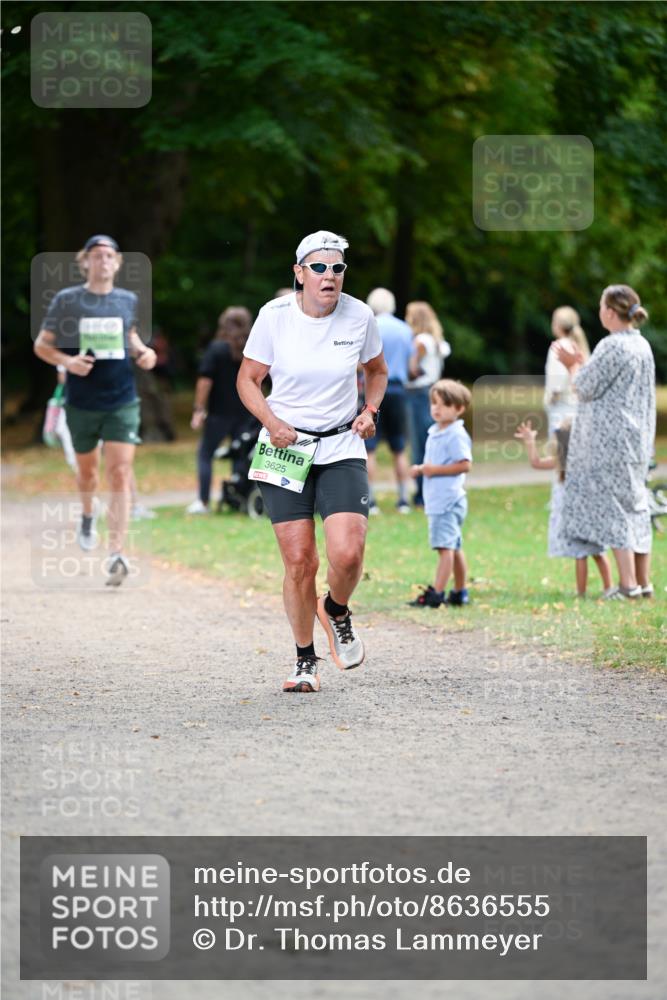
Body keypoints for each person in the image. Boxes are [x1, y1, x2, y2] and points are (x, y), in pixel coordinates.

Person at [237, 230, 388, 693]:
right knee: (300, 561)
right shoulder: (274, 316)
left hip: (341, 444)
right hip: (287, 447)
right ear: (299, 273)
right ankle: (305, 660)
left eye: (338, 268)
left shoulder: (359, 315)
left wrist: (370, 411)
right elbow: (247, 379)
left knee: (348, 551)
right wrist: (271, 419)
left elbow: (377, 372)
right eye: (319, 267)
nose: (330, 276)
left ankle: (336, 609)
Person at [33, 234, 156, 586]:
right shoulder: (67, 300)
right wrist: (68, 362)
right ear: (84, 261)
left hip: (121, 399)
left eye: (109, 256)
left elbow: (129, 336)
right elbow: (42, 345)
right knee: (88, 474)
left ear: (117, 263)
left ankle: (116, 552)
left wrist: (143, 352)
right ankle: (88, 514)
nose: (103, 261)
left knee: (119, 472)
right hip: (82, 400)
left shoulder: (127, 299)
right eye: (96, 255)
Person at [555, 285, 655, 600]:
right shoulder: (642, 345)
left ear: (610, 311)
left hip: (610, 442)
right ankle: (643, 582)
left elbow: (584, 387)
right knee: (636, 506)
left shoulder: (612, 346)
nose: (599, 312)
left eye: (601, 307)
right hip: (637, 439)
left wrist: (573, 364)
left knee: (616, 510)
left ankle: (627, 587)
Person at [514, 419, 613, 597]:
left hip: (576, 517)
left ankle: (582, 593)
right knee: (598, 552)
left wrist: (530, 441)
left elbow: (536, 462)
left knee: (581, 554)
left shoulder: (563, 462)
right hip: (590, 516)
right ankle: (608, 588)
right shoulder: (587, 461)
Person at [187, 306, 259, 514]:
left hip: (219, 414)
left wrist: (199, 409)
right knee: (240, 453)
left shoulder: (216, 349)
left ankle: (203, 501)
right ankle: (238, 498)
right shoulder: (252, 350)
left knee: (205, 454)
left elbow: (204, 381)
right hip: (247, 413)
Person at [408, 379, 472, 608]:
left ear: (459, 409)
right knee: (453, 546)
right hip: (441, 499)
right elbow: (434, 463)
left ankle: (437, 594)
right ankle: (459, 592)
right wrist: (421, 469)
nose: (437, 408)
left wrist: (433, 470)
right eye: (434, 403)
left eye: (444, 404)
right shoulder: (436, 431)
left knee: (445, 549)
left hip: (447, 501)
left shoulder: (455, 434)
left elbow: (465, 465)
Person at [364, 288, 415, 514]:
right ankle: (403, 499)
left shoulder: (371, 327)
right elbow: (412, 366)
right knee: (399, 447)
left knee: (370, 449)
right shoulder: (405, 330)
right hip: (398, 389)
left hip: (374, 390)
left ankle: (371, 500)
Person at [405, 300, 452, 507]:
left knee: (419, 444)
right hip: (433, 391)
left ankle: (422, 494)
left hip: (417, 394)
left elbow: (412, 368)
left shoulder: (420, 341)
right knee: (432, 440)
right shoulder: (437, 341)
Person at [544, 306, 590, 436]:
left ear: (557, 325)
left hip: (561, 408)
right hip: (580, 408)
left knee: (558, 452)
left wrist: (551, 402)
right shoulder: (581, 346)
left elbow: (557, 384)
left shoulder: (558, 347)